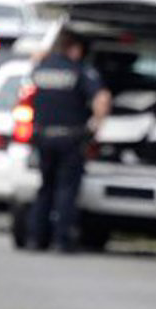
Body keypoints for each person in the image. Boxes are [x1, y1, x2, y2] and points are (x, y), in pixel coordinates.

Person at [26, 30, 111, 253]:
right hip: (70, 138)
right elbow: (102, 99)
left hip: (43, 136)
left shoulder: (41, 67)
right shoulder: (79, 70)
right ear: (75, 49)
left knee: (45, 187)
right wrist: (95, 127)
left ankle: (36, 238)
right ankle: (61, 240)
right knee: (66, 190)